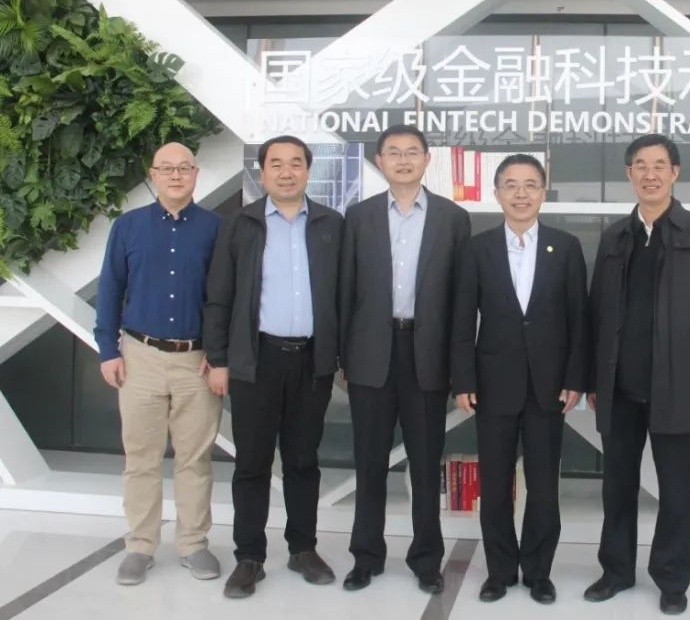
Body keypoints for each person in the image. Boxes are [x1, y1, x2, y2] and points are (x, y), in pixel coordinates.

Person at [584, 133, 690, 616]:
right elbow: (596, 314)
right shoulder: (614, 237)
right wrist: (594, 381)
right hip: (620, 388)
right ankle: (616, 571)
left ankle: (671, 578)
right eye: (640, 166)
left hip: (679, 388)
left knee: (677, 492)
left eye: (659, 165)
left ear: (675, 172)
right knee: (617, 487)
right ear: (629, 174)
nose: (650, 174)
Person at [203, 135, 344, 599]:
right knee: (252, 463)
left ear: (308, 171)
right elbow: (219, 296)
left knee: (303, 461)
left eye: (296, 163)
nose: (286, 172)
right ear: (261, 173)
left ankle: (303, 549)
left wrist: (341, 356)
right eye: (276, 164)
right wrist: (218, 359)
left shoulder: (330, 224)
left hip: (312, 361)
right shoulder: (239, 224)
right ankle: (249, 557)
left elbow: (346, 295)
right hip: (256, 359)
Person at [450, 154, 589, 605]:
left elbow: (579, 319)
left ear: (543, 193)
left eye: (531, 184)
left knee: (544, 487)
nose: (521, 193)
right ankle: (500, 571)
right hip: (493, 384)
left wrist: (575, 378)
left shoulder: (565, 247)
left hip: (549, 386)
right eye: (511, 184)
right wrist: (463, 379)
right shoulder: (478, 248)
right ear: (497, 193)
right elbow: (461, 320)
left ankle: (538, 572)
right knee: (494, 486)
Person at [338, 125, 470, 595]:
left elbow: (461, 301)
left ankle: (426, 560)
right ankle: (366, 556)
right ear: (380, 161)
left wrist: (458, 366)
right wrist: (343, 356)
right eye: (393, 152)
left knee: (425, 462)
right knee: (369, 463)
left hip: (427, 355)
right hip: (371, 354)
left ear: (427, 159)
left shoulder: (453, 219)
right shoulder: (359, 216)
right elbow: (345, 290)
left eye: (412, 152)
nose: (403, 159)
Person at [95, 142, 222, 586]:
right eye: (166, 168)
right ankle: (140, 546)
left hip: (197, 361)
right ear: (153, 174)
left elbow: (224, 297)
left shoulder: (216, 228)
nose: (175, 175)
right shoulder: (128, 227)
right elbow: (110, 289)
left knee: (195, 459)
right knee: (141, 458)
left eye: (183, 168)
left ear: (196, 174)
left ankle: (193, 543)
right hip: (140, 357)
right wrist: (107, 350)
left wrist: (219, 353)